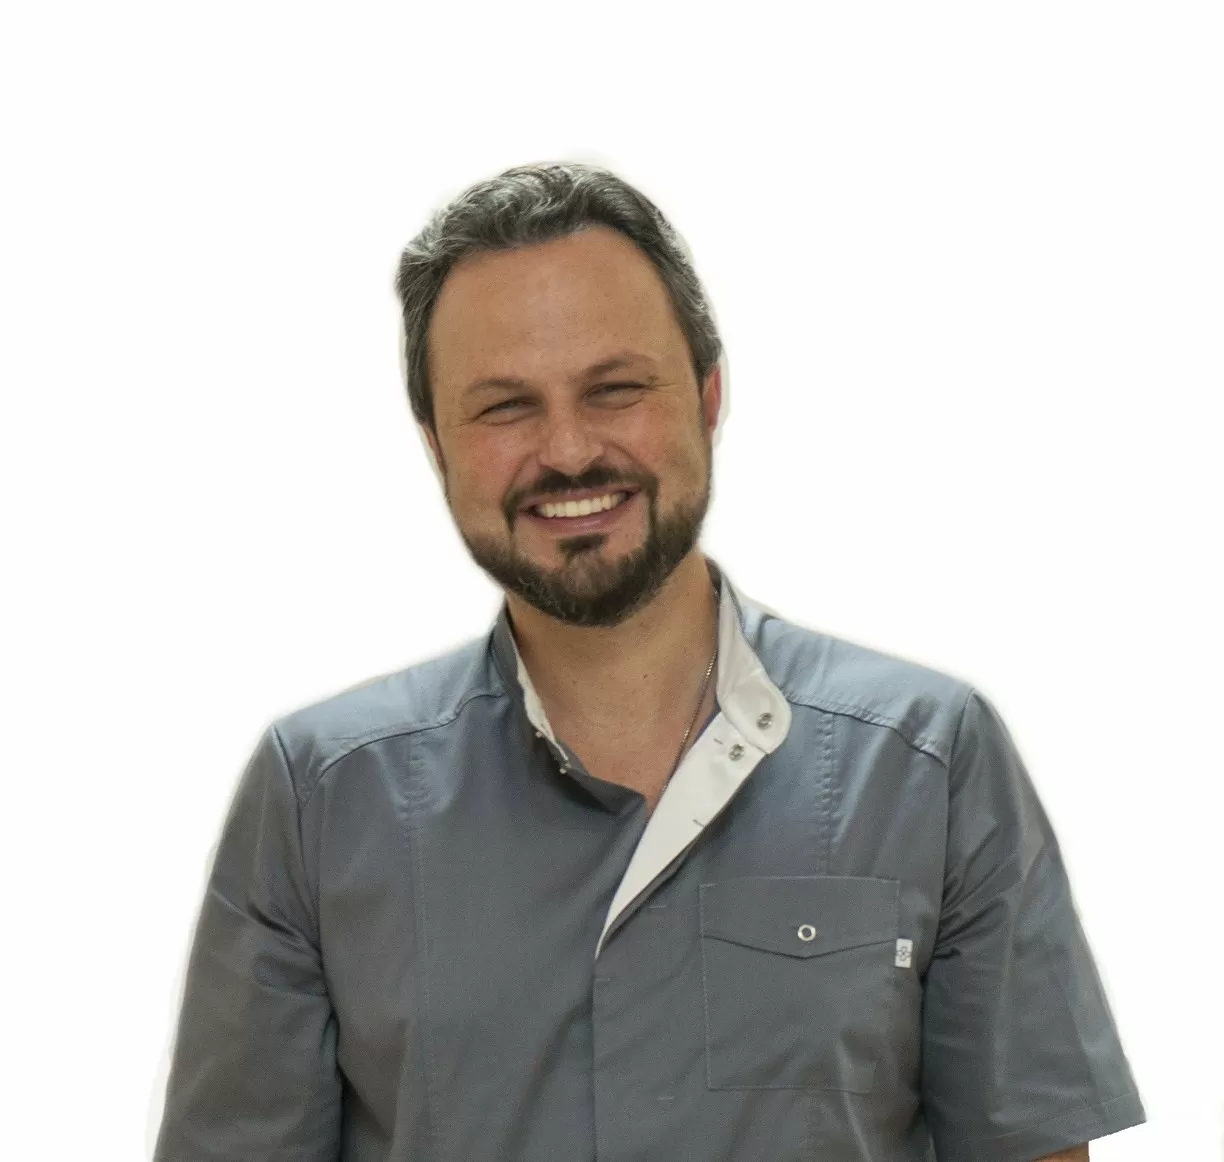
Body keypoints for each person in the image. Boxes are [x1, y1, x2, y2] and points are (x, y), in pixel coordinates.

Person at [153, 162, 1146, 1161]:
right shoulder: (321, 797)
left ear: (710, 395)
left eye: (616, 389)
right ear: (435, 444)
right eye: (504, 407)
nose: (568, 450)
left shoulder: (928, 764)